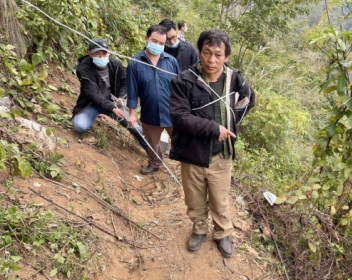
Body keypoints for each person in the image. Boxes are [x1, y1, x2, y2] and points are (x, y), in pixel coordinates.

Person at [169, 29, 256, 258]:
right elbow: (179, 116)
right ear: (199, 52)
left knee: (220, 198)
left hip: (221, 155)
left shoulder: (235, 78)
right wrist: (214, 128)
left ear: (226, 56)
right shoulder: (184, 80)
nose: (211, 60)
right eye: (207, 53)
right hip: (192, 153)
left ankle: (222, 232)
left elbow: (249, 99)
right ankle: (199, 228)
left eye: (218, 54)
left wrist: (233, 121)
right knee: (194, 197)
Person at [72, 38, 148, 152]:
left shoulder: (116, 64)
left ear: (109, 52)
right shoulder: (83, 69)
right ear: (89, 53)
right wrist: (111, 107)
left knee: (134, 127)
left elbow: (125, 83)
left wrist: (120, 99)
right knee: (79, 126)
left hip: (114, 103)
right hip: (92, 104)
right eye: (97, 54)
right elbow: (93, 94)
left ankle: (152, 150)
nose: (101, 57)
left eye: (104, 53)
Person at [126, 25, 181, 175]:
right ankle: (155, 163)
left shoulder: (171, 62)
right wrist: (131, 113)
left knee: (181, 140)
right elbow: (132, 91)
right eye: (154, 41)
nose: (157, 45)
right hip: (150, 112)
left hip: (172, 111)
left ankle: (187, 166)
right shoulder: (135, 64)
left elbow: (180, 87)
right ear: (146, 39)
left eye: (161, 43)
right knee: (152, 142)